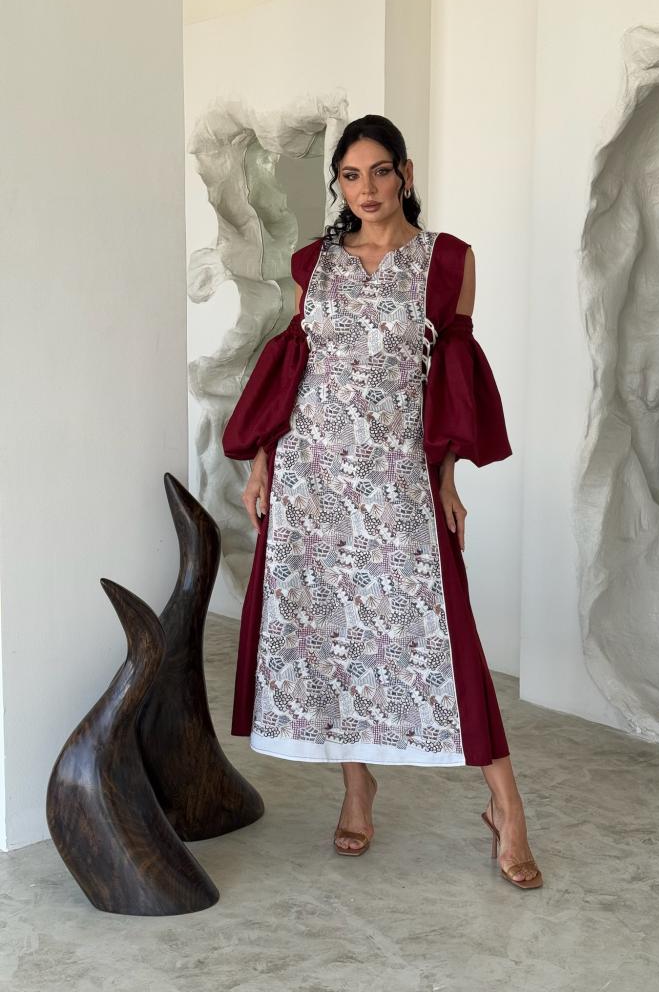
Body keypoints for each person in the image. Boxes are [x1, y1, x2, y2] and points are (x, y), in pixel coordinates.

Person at [222, 115, 542, 889]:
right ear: (337, 183)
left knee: (446, 632)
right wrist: (263, 459)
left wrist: (446, 478)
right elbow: (292, 365)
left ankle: (507, 808)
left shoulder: (447, 260)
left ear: (405, 174)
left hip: (397, 475)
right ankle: (357, 787)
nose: (365, 189)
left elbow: (451, 378)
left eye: (379, 171)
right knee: (335, 632)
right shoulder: (314, 262)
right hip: (311, 476)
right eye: (350, 176)